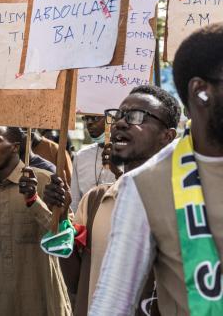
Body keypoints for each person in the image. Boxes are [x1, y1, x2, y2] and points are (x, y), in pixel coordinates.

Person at [90, 24, 223, 315]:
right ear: (201, 92)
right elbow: (112, 304)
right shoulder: (145, 187)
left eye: (136, 116)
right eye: (122, 116)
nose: (122, 123)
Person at [45, 86, 180, 315]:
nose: (119, 123)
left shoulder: (187, 205)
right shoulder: (95, 201)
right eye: (117, 116)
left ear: (167, 136)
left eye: (135, 116)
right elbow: (76, 282)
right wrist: (60, 216)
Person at [0, 125, 71, 316]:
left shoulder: (46, 182)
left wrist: (34, 201)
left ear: (15, 147)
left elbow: (63, 242)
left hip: (39, 301)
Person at [70, 115, 115, 212]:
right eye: (86, 118)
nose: (89, 122)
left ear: (111, 120)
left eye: (95, 118)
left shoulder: (127, 154)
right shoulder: (81, 156)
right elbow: (74, 201)